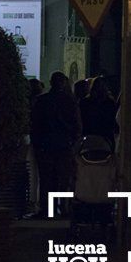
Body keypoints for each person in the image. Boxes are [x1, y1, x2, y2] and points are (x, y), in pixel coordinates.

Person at [31, 71, 80, 218]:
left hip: (45, 145)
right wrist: (72, 140)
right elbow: (76, 125)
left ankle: (47, 210)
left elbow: (35, 124)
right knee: (62, 179)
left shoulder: (42, 101)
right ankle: (62, 208)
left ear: (51, 82)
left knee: (46, 179)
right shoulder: (69, 101)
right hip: (63, 145)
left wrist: (37, 143)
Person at [79, 77, 119, 149]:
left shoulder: (84, 102)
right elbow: (112, 120)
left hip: (88, 136)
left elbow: (81, 120)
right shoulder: (109, 103)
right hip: (106, 137)